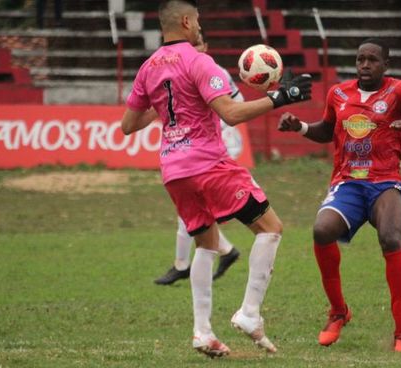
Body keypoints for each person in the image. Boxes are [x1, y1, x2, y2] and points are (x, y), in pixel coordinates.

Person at [120, 0, 311, 358]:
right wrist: (282, 97)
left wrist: (162, 107)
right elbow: (232, 113)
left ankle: (203, 332)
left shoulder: (147, 68)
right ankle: (250, 314)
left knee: (206, 245)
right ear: (187, 21)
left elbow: (128, 125)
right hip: (208, 164)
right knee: (271, 228)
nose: (199, 28)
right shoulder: (199, 60)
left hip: (173, 171)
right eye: (198, 22)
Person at [278, 38, 401, 353]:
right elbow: (327, 131)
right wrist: (298, 126)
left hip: (385, 183)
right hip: (348, 183)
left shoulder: (399, 90)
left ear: (386, 64)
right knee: (321, 230)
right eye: (360, 59)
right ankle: (338, 311)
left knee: (391, 239)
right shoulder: (338, 93)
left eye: (372, 60)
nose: (365, 65)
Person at [154, 31, 242, 286]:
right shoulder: (179, 75)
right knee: (194, 208)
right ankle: (224, 251)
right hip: (194, 148)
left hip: (220, 144)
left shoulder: (216, 72)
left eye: (196, 44)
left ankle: (183, 264)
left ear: (206, 46)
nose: (191, 49)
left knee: (192, 208)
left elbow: (237, 105)